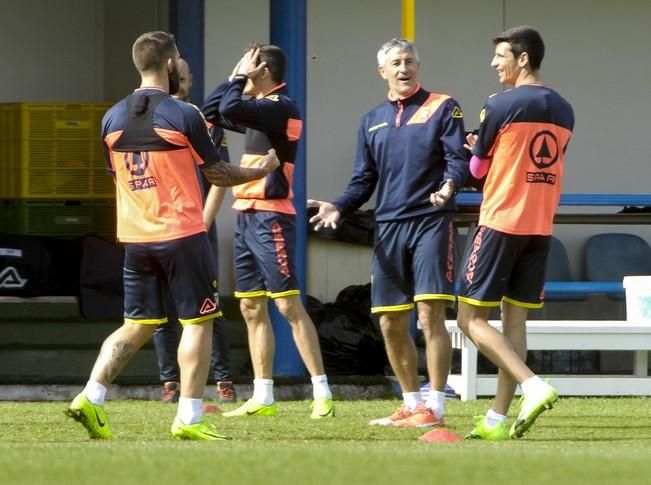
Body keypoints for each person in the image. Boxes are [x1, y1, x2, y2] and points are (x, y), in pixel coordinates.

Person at [65, 31, 279, 441]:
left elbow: (119, 176)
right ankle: (189, 417)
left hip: (135, 238)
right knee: (198, 323)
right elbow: (218, 173)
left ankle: (91, 396)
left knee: (136, 324)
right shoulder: (184, 114)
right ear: (169, 64)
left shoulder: (110, 117)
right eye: (179, 58)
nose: (182, 64)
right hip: (182, 233)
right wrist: (261, 170)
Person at [308, 38, 468, 428]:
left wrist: (449, 187)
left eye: (409, 61)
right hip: (389, 227)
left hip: (431, 222)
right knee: (390, 320)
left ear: (418, 66)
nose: (403, 68)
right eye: (395, 63)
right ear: (382, 71)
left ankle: (436, 404)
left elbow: (457, 159)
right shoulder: (372, 120)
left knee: (430, 314)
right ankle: (411, 402)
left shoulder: (443, 107)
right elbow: (363, 180)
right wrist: (339, 205)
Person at [201, 45, 334, 419]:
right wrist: (234, 78)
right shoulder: (258, 111)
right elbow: (212, 111)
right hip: (245, 213)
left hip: (272, 216)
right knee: (249, 306)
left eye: (248, 63)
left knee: (288, 304)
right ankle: (263, 395)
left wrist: (238, 79)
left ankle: (322, 391)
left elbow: (228, 108)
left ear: (261, 69)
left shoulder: (281, 107)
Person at [455, 26, 574, 440]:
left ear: (522, 59)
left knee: (469, 318)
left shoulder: (499, 104)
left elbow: (477, 171)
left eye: (500, 55)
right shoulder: (564, 109)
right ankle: (497, 420)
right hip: (540, 227)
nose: (494, 63)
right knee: (514, 323)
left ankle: (532, 384)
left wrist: (473, 149)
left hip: (502, 221)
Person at [152, 58, 236, 405]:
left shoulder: (205, 122)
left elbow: (219, 178)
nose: (181, 84)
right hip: (158, 225)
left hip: (197, 225)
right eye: (177, 78)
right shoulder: (149, 119)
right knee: (161, 308)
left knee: (207, 307)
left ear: (191, 80)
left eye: (185, 79)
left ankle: (224, 379)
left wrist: (204, 220)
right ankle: (170, 382)